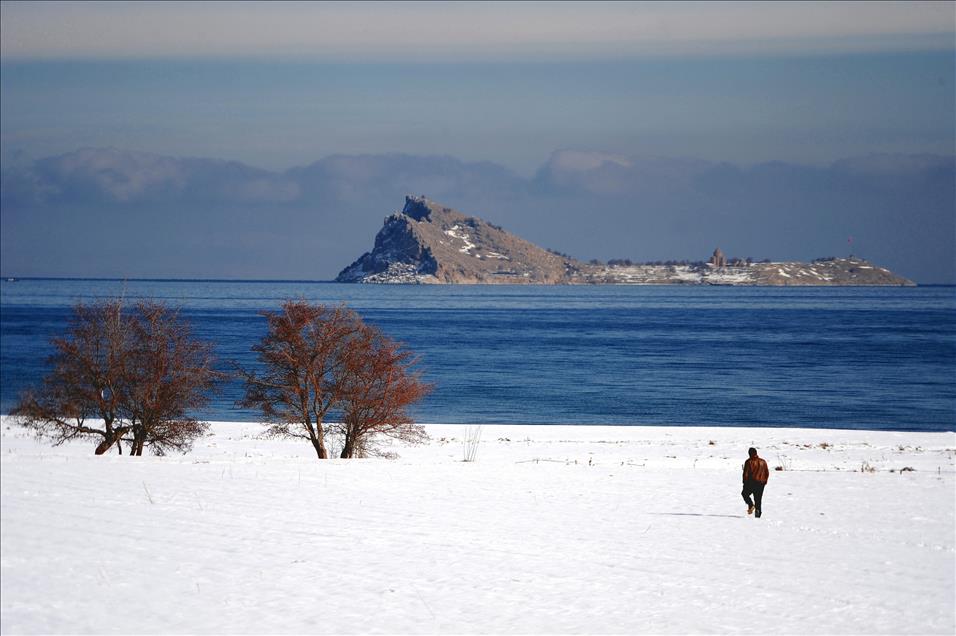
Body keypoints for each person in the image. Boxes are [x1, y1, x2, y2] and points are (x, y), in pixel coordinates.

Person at [742, 447, 769, 518]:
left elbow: (746, 474)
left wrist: (744, 483)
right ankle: (758, 515)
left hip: (752, 482)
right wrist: (765, 481)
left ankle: (750, 505)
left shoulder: (748, 461)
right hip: (761, 483)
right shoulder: (763, 461)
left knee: (744, 494)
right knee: (758, 499)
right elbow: (767, 472)